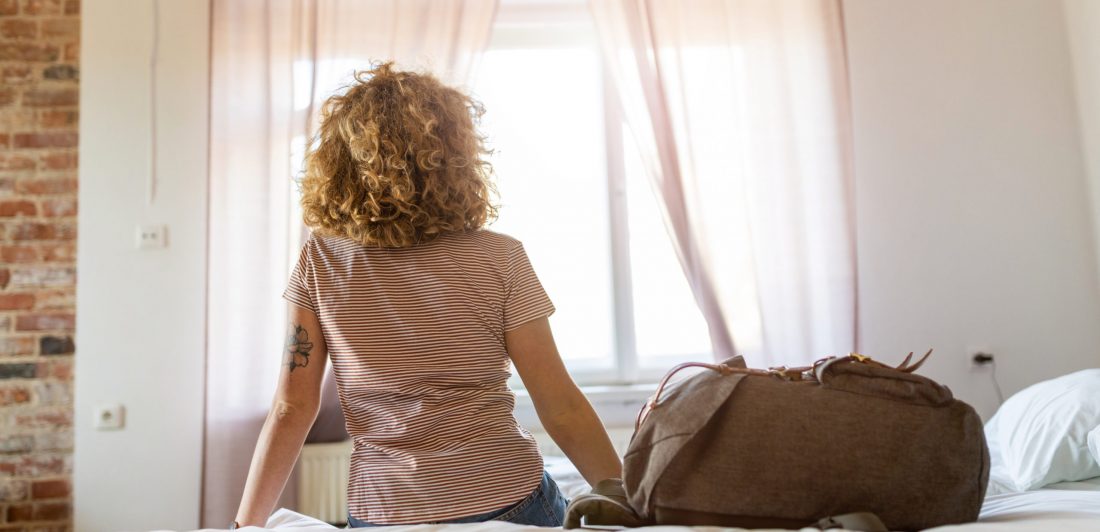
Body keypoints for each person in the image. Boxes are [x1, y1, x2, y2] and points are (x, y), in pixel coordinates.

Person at [232, 62, 623, 528]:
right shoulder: (501, 257)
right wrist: (628, 500)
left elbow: (291, 407)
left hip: (384, 512)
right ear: (456, 156)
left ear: (340, 162)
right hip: (507, 498)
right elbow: (560, 404)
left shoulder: (320, 260)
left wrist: (245, 525)